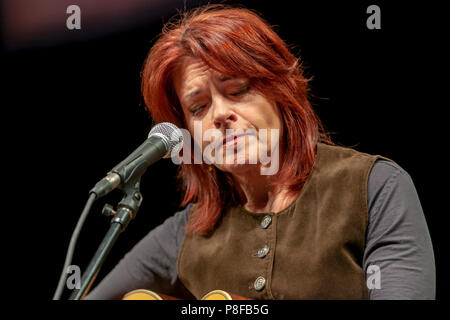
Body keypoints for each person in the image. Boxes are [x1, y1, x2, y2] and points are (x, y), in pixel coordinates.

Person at [85, 4, 435, 300]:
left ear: (280, 92)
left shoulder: (374, 187)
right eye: (198, 108)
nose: (220, 114)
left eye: (238, 90)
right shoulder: (182, 234)